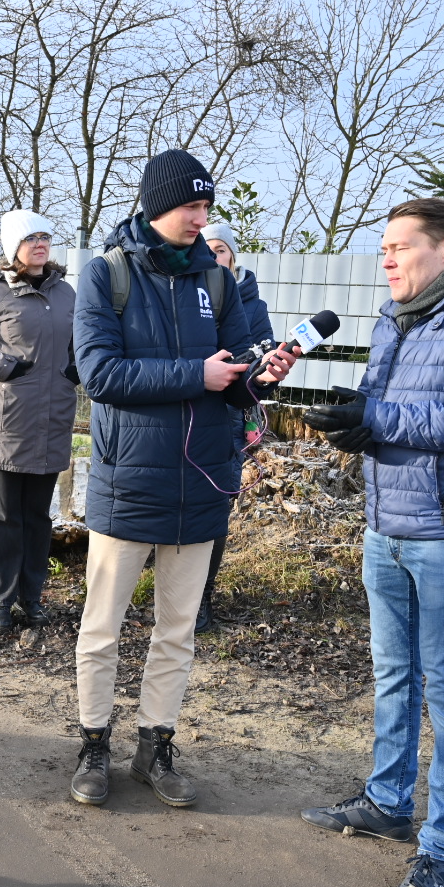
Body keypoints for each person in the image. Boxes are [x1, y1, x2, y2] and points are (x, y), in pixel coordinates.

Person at [298, 197, 444, 887]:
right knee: (393, 673)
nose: (387, 258)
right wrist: (351, 419)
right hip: (385, 525)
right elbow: (382, 406)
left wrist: (380, 419)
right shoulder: (390, 319)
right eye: (385, 247)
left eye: (401, 246)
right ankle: (388, 800)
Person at [69, 149, 296, 809]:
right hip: (127, 481)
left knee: (177, 629)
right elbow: (101, 375)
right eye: (190, 205)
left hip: (202, 482)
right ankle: (93, 744)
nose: (201, 217)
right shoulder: (105, 276)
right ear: (155, 204)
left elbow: (235, 380)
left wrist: (259, 378)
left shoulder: (218, 284)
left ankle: (154, 747)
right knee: (102, 626)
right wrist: (195, 375)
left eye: (206, 206)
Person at [0, 210, 78, 636]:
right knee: (5, 516)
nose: (40, 244)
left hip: (54, 419)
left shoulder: (68, 295)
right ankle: (0, 602)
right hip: (7, 423)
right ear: (13, 249)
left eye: (45, 236)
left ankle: (33, 597)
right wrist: (3, 366)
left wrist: (78, 369)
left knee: (40, 518)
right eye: (31, 238)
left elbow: (84, 344)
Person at [196, 222, 275, 632]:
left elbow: (262, 360)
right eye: (207, 249)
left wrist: (264, 373)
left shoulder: (252, 305)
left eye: (221, 250)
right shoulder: (188, 293)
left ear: (233, 257)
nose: (214, 257)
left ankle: (202, 598)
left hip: (227, 413)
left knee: (215, 503)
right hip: (186, 406)